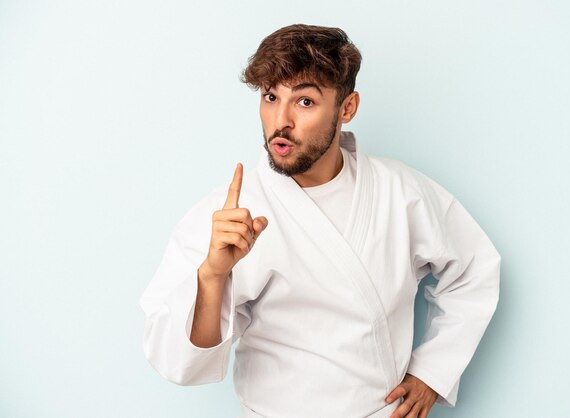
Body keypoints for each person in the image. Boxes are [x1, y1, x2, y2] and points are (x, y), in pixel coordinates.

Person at [139, 24, 501, 418]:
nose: (281, 120)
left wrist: (433, 372)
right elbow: (177, 360)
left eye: (305, 101)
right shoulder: (229, 216)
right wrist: (212, 276)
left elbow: (474, 270)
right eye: (270, 97)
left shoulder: (400, 192)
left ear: (347, 108)